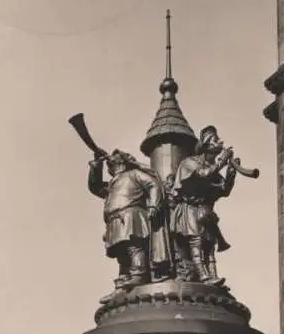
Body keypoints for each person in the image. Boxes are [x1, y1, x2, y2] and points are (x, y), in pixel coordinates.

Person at [88, 148, 172, 301]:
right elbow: (95, 187)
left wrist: (153, 205)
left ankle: (139, 274)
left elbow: (153, 184)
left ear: (122, 161)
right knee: (122, 254)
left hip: (132, 215)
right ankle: (122, 285)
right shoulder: (113, 183)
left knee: (134, 246)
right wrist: (96, 166)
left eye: (114, 156)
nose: (109, 159)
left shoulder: (133, 174)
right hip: (115, 220)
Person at [170, 125, 237, 285]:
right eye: (215, 139)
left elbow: (223, 191)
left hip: (204, 211)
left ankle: (214, 276)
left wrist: (230, 176)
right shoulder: (190, 162)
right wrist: (221, 162)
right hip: (189, 209)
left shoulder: (213, 170)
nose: (220, 141)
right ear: (206, 145)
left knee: (209, 246)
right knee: (197, 243)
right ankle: (204, 277)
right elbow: (202, 175)